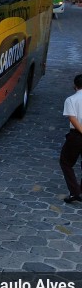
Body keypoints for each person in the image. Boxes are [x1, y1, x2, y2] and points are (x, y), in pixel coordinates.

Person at [60, 74, 82, 203]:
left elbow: (72, 118)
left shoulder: (71, 100)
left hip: (76, 136)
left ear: (75, 86)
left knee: (66, 162)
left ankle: (75, 191)